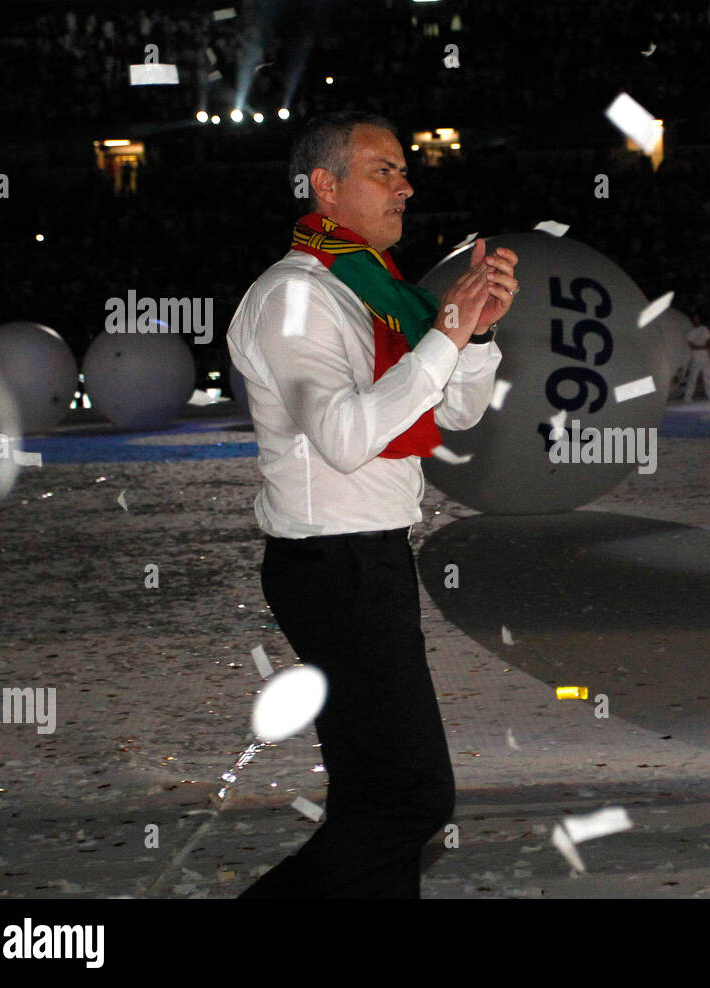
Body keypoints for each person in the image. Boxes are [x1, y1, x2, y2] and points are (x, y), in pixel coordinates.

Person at [226, 110, 518, 897]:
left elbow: (452, 412)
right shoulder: (296, 298)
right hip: (334, 565)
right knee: (413, 798)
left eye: (404, 169)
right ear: (326, 186)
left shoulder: (371, 287)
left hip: (369, 558)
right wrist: (444, 337)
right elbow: (347, 437)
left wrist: (475, 336)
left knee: (372, 796)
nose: (406, 184)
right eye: (383, 170)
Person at [685, 313, 710, 401]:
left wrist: (701, 346)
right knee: (692, 378)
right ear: (692, 321)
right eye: (694, 319)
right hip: (695, 358)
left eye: (697, 318)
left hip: (705, 358)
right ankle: (688, 397)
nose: (696, 320)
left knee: (708, 377)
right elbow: (692, 346)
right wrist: (703, 346)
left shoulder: (704, 329)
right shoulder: (690, 332)